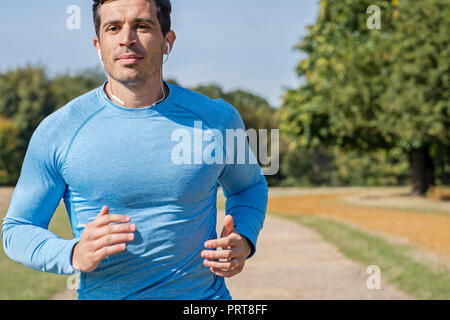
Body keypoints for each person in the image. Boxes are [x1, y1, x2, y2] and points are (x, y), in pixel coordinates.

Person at [1, 0, 268, 300]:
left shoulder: (217, 120)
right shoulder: (58, 131)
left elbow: (249, 186)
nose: (126, 38)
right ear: (98, 46)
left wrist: (243, 238)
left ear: (168, 41)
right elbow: (18, 229)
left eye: (142, 26)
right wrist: (73, 252)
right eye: (113, 28)